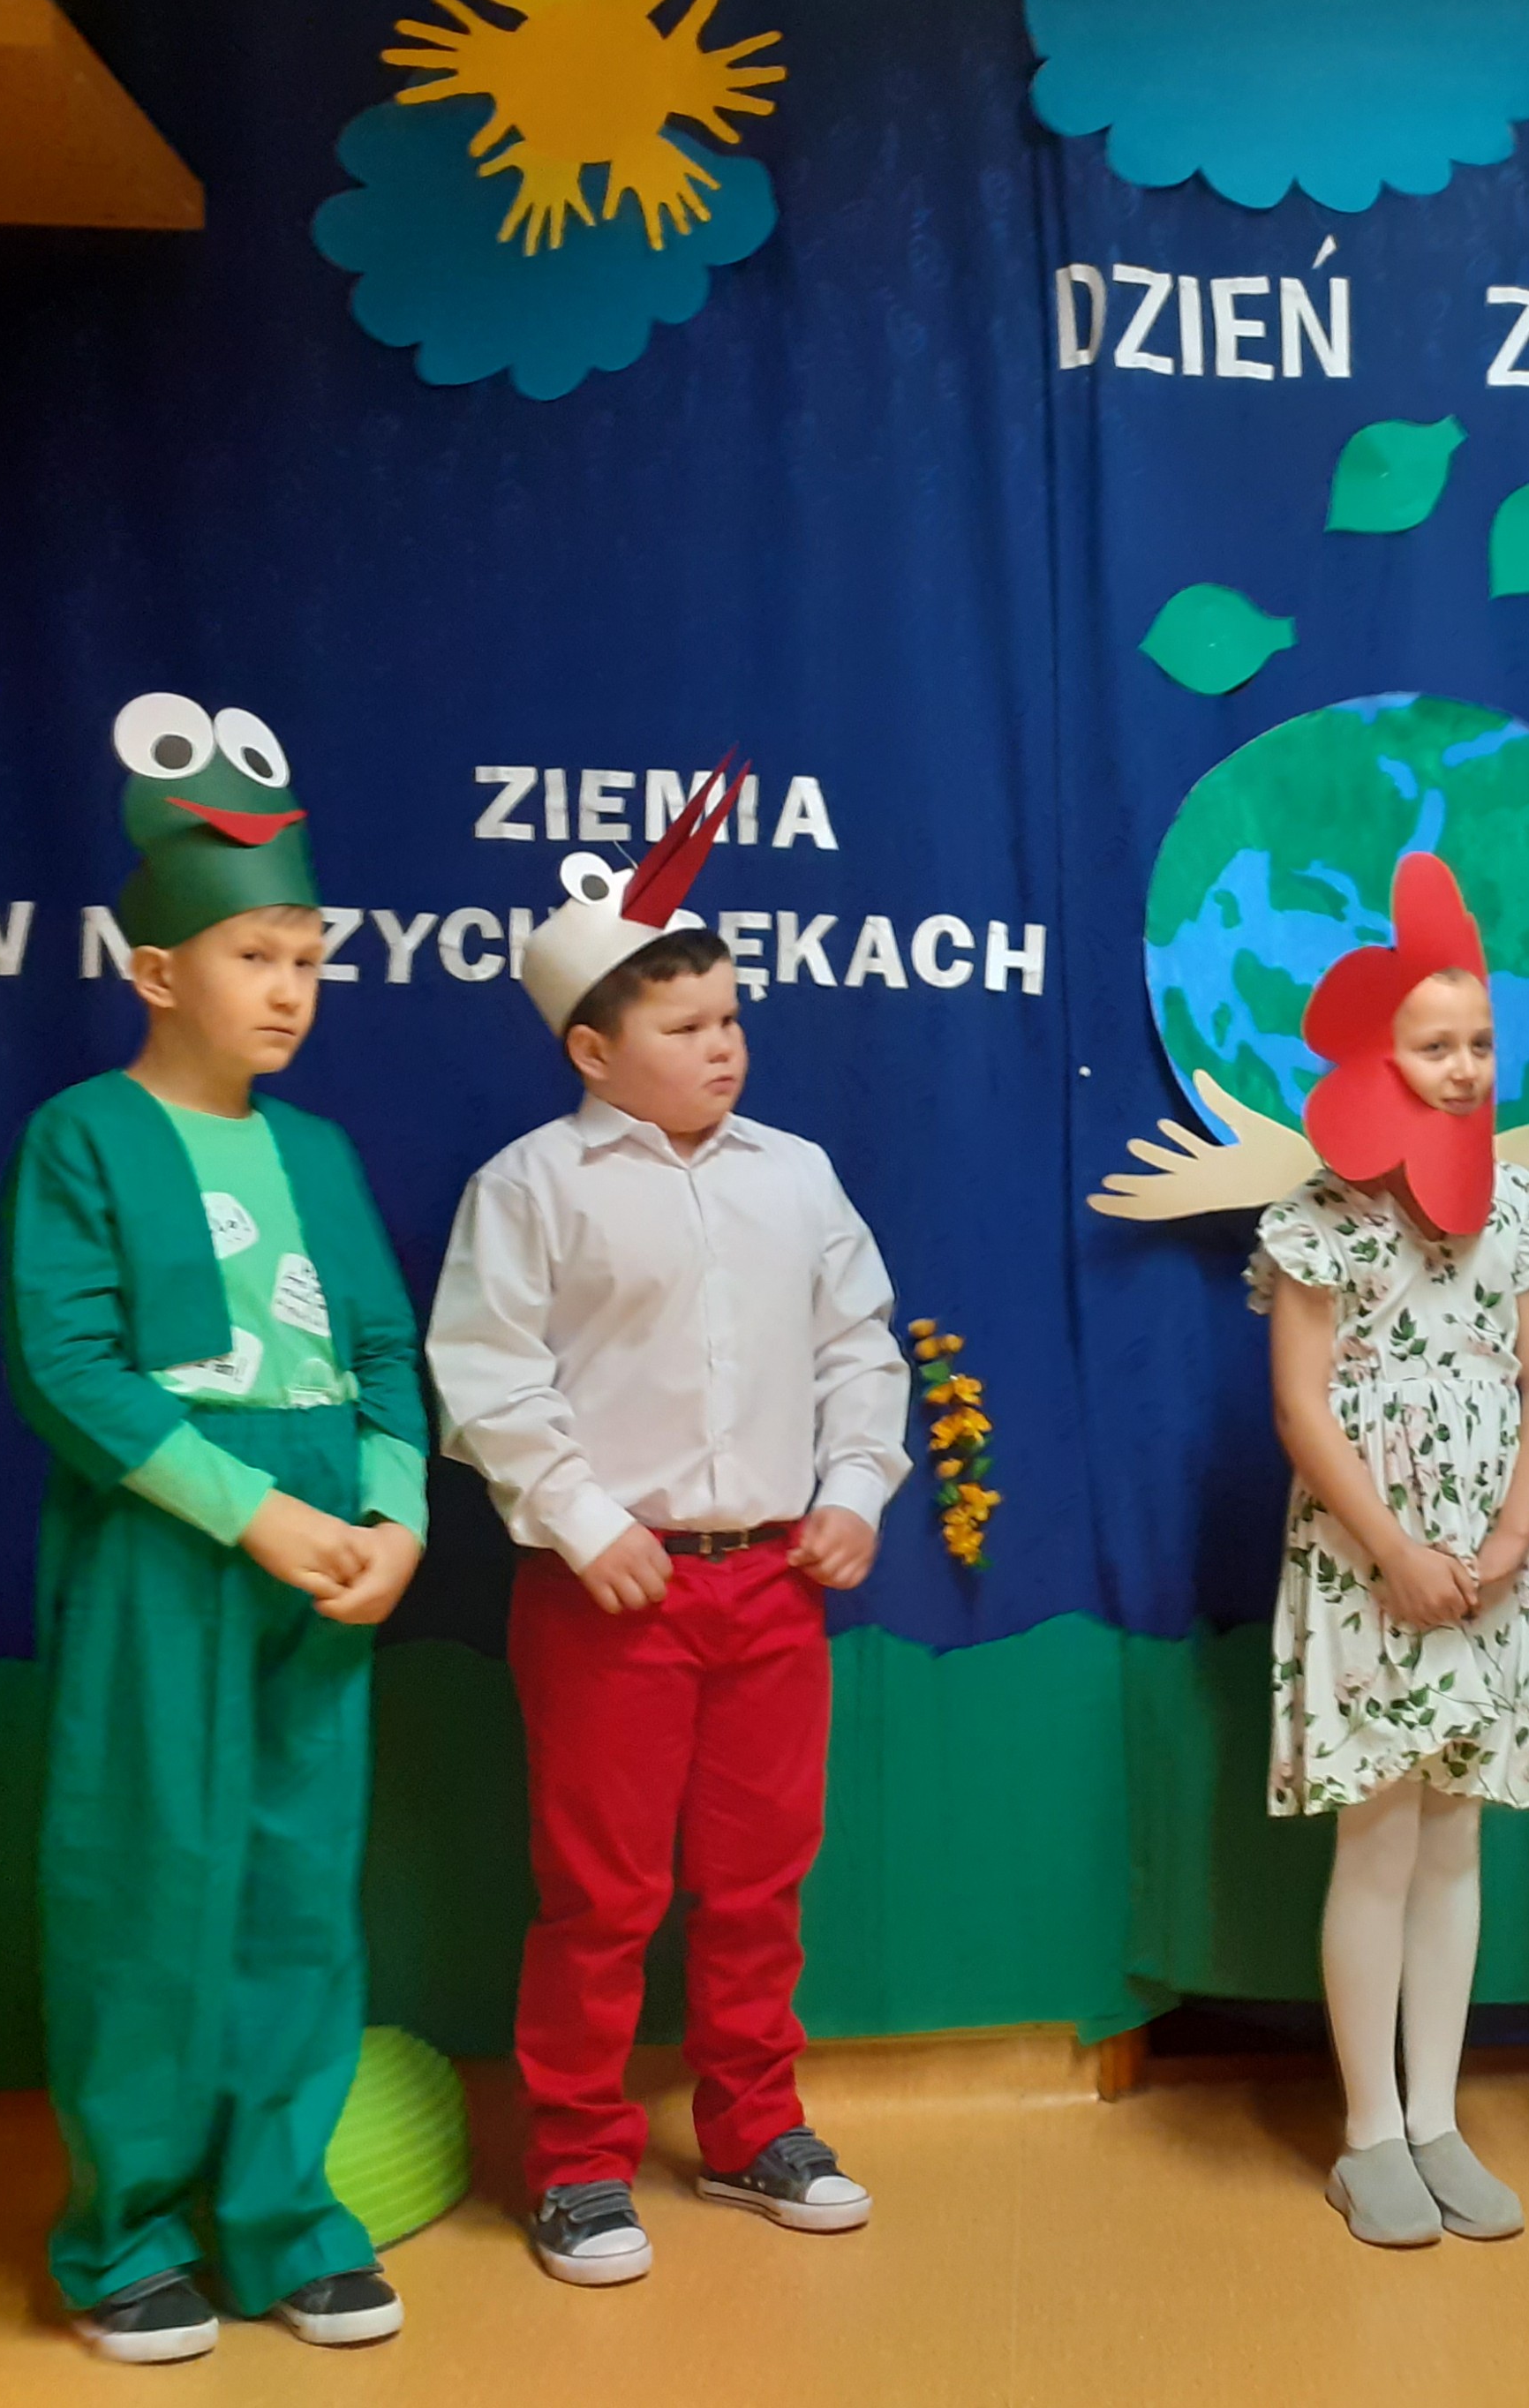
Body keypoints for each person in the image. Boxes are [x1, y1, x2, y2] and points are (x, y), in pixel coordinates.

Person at [426, 771, 910, 2288]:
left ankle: (757, 2127)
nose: (725, 1046)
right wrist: (581, 1519)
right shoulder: (531, 1187)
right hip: (608, 1599)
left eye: (732, 1018)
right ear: (594, 1049)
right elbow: (485, 1372)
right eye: (688, 1025)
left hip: (770, 1584)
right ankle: (577, 2160)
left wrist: (853, 1489)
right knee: (603, 1895)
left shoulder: (797, 1175)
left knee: (759, 1882)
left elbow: (858, 1346)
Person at [0, 694, 427, 2363]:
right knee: (147, 1881)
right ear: (159, 971)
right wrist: (253, 1516)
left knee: (297, 1889)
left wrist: (392, 1518)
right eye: (257, 956)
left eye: (310, 959)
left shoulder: (318, 1150)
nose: (291, 988)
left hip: (325, 1559)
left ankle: (283, 2218)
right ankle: (125, 2236)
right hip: (171, 1551)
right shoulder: (85, 1136)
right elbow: (71, 1368)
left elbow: (382, 1351)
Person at [1254, 852, 1529, 2248]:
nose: (1465, 1068)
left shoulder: (1524, 1211)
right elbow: (1301, 1407)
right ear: (1378, 1061)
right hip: (1367, 1572)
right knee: (1379, 1842)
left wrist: (1507, 1540)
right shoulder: (1322, 1222)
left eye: (1481, 1043)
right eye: (1436, 1046)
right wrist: (1391, 1549)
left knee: (1456, 1845)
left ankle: (1438, 2116)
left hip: (1489, 1576)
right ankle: (1368, 2132)